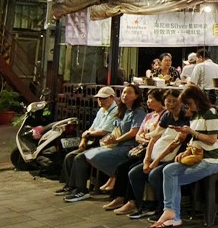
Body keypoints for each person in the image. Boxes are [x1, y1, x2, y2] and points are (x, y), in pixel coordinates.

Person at [148, 85, 218, 228]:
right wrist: (185, 151)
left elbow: (212, 139)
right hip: (197, 157)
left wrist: (191, 132)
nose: (188, 108)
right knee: (168, 171)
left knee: (172, 177)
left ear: (196, 100)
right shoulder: (195, 115)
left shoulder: (210, 113)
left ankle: (172, 214)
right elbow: (194, 142)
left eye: (189, 104)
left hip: (211, 160)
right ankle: (170, 213)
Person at [73, 85, 146, 203]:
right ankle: (80, 188)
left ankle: (114, 177)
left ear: (136, 95)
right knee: (84, 155)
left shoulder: (138, 111)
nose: (124, 95)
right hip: (115, 144)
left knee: (93, 155)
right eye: (123, 93)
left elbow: (134, 132)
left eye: (129, 93)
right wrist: (111, 138)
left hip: (128, 146)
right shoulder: (123, 110)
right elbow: (115, 128)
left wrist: (117, 140)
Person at [130, 89, 188, 220]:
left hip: (175, 157)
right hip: (157, 154)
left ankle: (162, 208)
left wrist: (155, 162)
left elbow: (175, 143)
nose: (171, 104)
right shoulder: (167, 115)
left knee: (155, 175)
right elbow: (154, 137)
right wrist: (147, 160)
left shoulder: (186, 117)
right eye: (169, 101)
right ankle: (144, 206)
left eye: (175, 101)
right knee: (134, 173)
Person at [107, 88, 166, 216]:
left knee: (131, 170)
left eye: (152, 99)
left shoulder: (164, 116)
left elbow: (156, 136)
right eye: (148, 99)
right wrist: (144, 137)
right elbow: (138, 135)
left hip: (151, 150)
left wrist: (146, 138)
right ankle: (120, 198)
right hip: (141, 148)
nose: (148, 102)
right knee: (122, 167)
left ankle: (133, 202)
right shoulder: (149, 115)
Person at [56, 87, 119, 197]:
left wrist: (87, 134)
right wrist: (84, 138)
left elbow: (103, 131)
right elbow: (92, 128)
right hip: (93, 140)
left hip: (105, 143)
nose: (101, 101)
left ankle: (81, 189)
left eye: (103, 98)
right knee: (69, 156)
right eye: (99, 98)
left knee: (79, 158)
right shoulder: (101, 110)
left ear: (112, 98)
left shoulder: (115, 111)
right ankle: (71, 186)